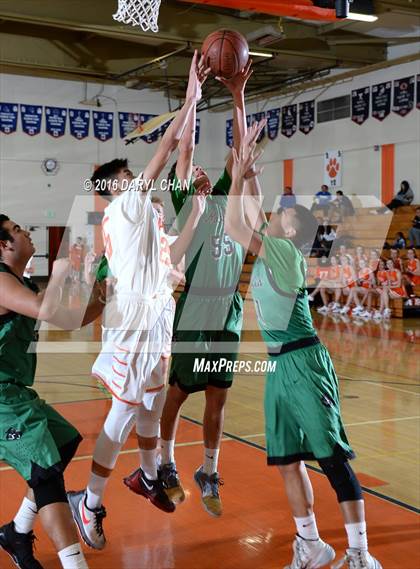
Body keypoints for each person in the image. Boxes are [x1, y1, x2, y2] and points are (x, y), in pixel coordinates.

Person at [66, 52, 209, 550]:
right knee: (122, 417)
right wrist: (191, 96)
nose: (137, 182)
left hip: (156, 324)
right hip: (133, 329)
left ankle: (147, 477)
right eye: (128, 177)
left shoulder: (145, 222)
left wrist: (199, 211)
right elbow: (169, 146)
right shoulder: (125, 208)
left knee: (149, 410)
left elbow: (177, 255)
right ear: (114, 189)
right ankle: (89, 502)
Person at [225, 123, 382, 569]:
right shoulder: (278, 243)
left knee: (331, 458)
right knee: (289, 461)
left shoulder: (285, 252)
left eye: (284, 214)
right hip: (279, 366)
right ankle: (311, 544)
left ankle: (359, 554)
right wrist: (249, 163)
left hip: (303, 362)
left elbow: (238, 220)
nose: (277, 212)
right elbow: (255, 206)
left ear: (292, 229)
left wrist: (237, 174)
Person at [158, 62, 254, 517]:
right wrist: (193, 94)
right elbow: (185, 145)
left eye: (201, 167)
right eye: (190, 167)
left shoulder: (223, 196)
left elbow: (240, 154)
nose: (197, 167)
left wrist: (237, 95)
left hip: (228, 310)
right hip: (195, 308)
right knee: (178, 393)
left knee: (219, 395)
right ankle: (165, 462)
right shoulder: (185, 203)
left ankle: (209, 470)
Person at [0, 215, 106, 569]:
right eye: (16, 230)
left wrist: (102, 298)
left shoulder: (23, 284)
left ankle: (16, 531)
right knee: (45, 473)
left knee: (62, 443)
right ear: (3, 246)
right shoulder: (0, 282)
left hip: (16, 391)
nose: (26, 231)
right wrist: (61, 269)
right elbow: (46, 306)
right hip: (1, 399)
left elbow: (67, 319)